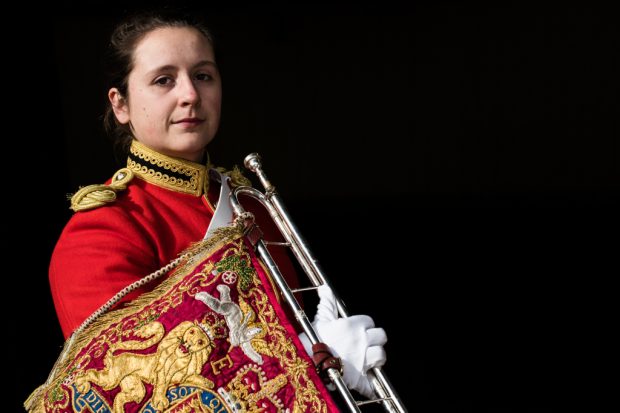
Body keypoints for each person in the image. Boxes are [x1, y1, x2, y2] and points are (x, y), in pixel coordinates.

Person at [46, 10, 387, 411]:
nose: (190, 94)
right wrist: (317, 366)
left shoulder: (251, 206)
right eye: (163, 80)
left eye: (203, 75)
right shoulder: (101, 232)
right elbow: (137, 394)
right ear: (120, 104)